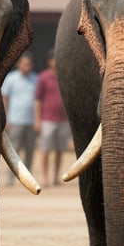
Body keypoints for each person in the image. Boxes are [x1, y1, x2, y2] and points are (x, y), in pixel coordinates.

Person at [34, 48, 72, 187]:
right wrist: (37, 119)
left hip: (63, 120)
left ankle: (56, 177)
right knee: (45, 149)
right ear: (49, 61)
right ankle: (45, 177)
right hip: (47, 119)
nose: (56, 62)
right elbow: (38, 99)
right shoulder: (43, 77)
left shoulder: (65, 76)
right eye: (54, 59)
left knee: (59, 150)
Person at [1, 52, 37, 185]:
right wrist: (6, 118)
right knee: (14, 149)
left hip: (31, 121)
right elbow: (5, 99)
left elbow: (38, 101)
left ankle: (27, 179)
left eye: (29, 64)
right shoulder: (11, 79)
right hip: (15, 120)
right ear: (18, 64)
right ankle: (11, 178)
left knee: (30, 149)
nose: (27, 66)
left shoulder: (35, 79)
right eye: (24, 64)